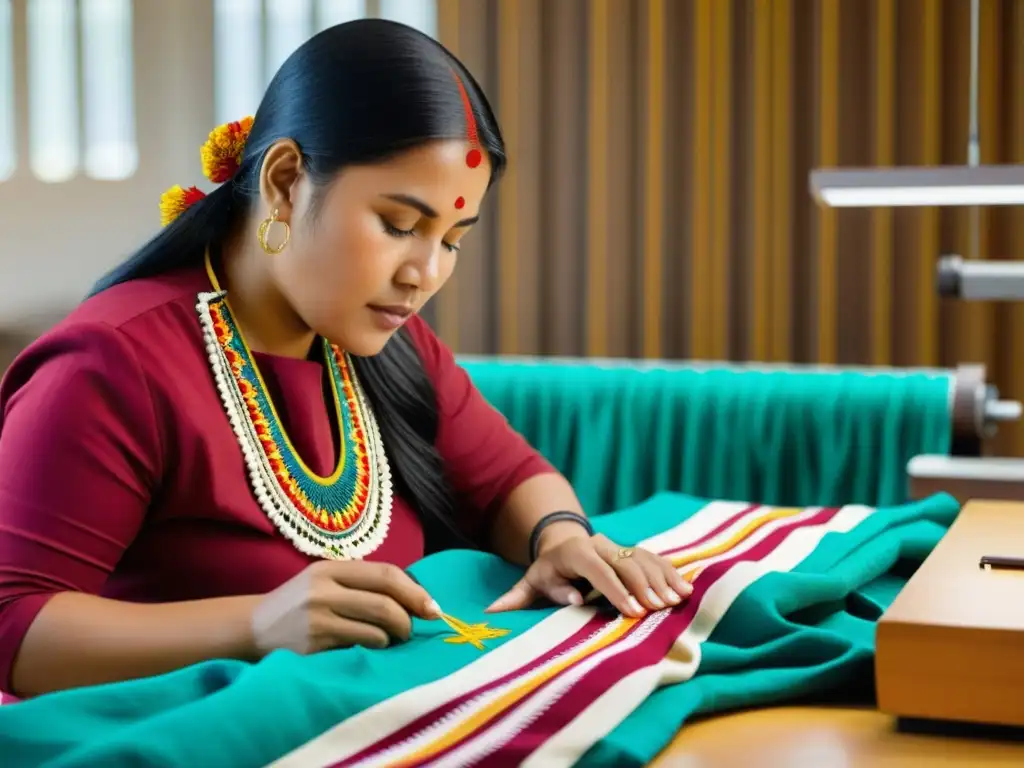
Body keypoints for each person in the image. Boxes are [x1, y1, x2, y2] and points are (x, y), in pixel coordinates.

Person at [0, 19, 692, 700]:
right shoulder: (110, 365)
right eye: (398, 225)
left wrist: (559, 538)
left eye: (452, 239)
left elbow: (510, 476)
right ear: (285, 180)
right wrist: (254, 624)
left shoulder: (377, 342)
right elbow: (13, 626)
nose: (425, 272)